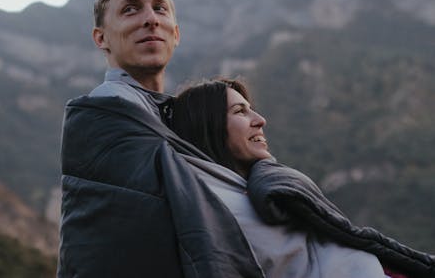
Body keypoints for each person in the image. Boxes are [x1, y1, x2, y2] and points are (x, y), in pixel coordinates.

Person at [58, 0, 267, 278]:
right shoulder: (103, 115)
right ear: (101, 38)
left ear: (176, 33)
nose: (150, 19)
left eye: (159, 8)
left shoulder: (175, 119)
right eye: (131, 9)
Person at [170, 78, 435, 278]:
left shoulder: (248, 189)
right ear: (207, 125)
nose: (260, 120)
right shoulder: (213, 205)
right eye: (240, 111)